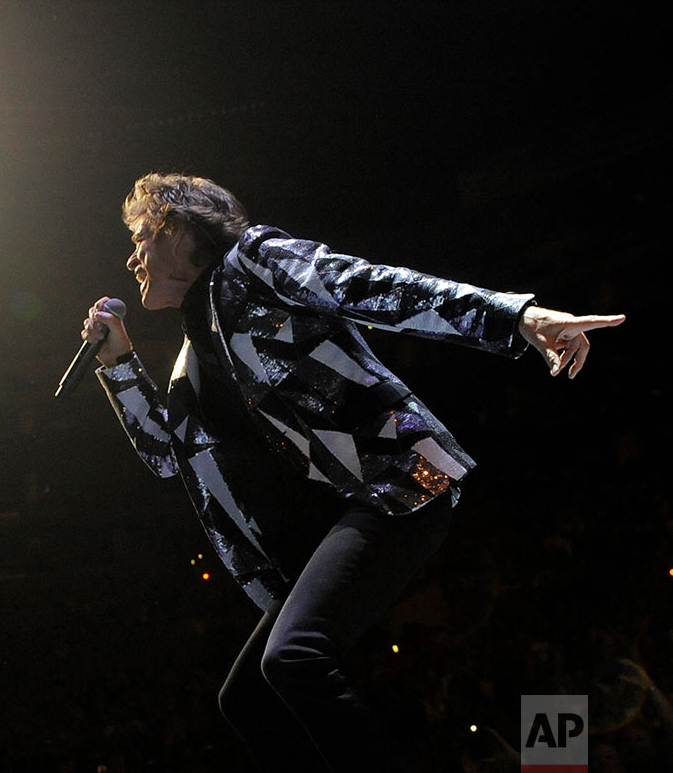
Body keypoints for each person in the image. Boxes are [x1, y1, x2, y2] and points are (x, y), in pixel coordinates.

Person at [81, 172, 625, 772]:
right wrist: (119, 363)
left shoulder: (255, 262)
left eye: (140, 237)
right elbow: (166, 454)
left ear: (179, 229)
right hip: (330, 522)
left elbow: (373, 288)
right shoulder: (193, 357)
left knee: (292, 659)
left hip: (399, 482)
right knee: (249, 701)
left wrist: (516, 319)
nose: (132, 258)